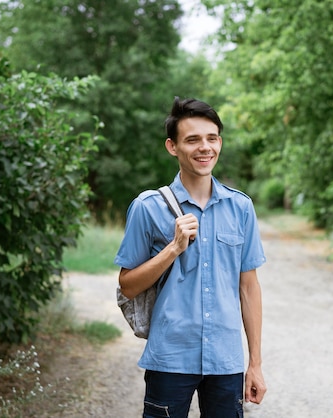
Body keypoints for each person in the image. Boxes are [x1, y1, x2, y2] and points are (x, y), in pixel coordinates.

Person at [114, 97, 267, 417]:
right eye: (193, 140)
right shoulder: (147, 207)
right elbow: (127, 286)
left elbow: (248, 288)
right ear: (173, 147)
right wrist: (173, 248)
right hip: (170, 357)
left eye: (211, 138)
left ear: (220, 143)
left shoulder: (241, 208)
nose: (204, 148)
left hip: (226, 361)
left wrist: (254, 363)